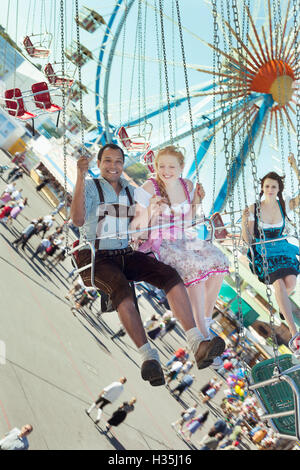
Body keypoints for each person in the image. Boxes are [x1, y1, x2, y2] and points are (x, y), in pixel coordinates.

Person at [70, 143, 225, 386]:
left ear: (123, 165)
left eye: (118, 161)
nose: (113, 166)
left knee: (169, 275)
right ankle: (148, 356)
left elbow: (141, 224)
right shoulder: (90, 187)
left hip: (125, 252)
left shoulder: (132, 191)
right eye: (107, 161)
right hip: (96, 256)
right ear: (99, 164)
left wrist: (156, 208)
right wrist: (80, 175)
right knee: (122, 290)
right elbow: (77, 219)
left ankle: (197, 342)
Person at [132, 145, 229, 365]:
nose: (166, 171)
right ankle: (202, 335)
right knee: (193, 264)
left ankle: (204, 318)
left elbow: (186, 221)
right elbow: (136, 226)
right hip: (159, 240)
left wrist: (196, 201)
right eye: (161, 166)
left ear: (182, 167)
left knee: (220, 260)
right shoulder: (150, 186)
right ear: (155, 166)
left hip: (182, 236)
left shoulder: (188, 186)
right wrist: (150, 211)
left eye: (171, 166)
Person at [242, 153, 300, 355]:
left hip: (282, 248)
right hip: (264, 250)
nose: (269, 190)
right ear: (262, 188)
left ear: (278, 189)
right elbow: (247, 238)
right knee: (278, 284)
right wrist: (244, 221)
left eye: (273, 187)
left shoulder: (284, 206)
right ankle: (295, 332)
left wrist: (294, 167)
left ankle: (284, 308)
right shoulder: (254, 208)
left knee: (290, 284)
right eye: (266, 186)